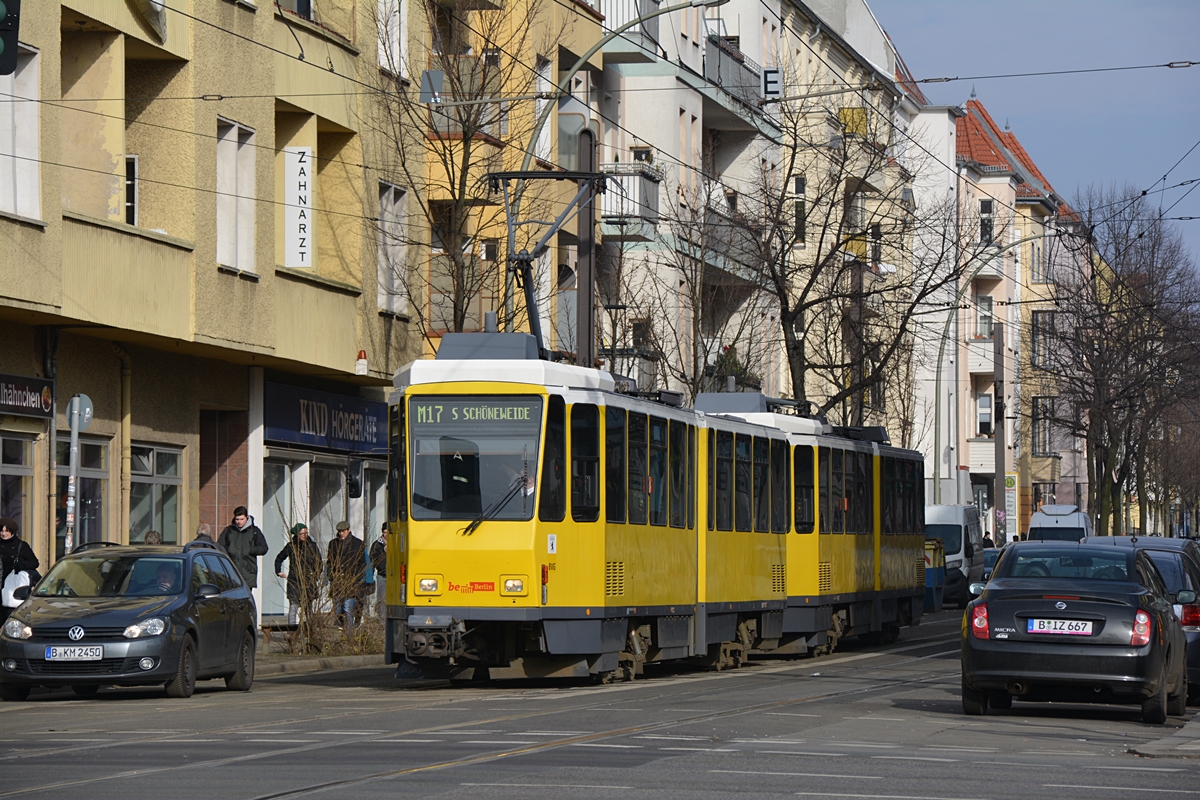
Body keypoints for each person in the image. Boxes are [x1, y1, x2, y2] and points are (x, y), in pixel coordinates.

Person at [274, 523, 322, 627]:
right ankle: (291, 631)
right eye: (301, 534)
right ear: (297, 534)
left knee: (308, 607)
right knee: (293, 607)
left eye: (306, 533)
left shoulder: (312, 546)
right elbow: (279, 558)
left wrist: (315, 575)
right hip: (294, 581)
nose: (304, 535)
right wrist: (278, 571)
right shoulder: (291, 546)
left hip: (309, 580)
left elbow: (319, 563)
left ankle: (309, 631)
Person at [325, 521, 365, 633]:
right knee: (337, 609)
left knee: (348, 608)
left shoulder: (358, 544)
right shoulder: (333, 544)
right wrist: (331, 575)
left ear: (348, 530)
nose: (341, 533)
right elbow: (330, 561)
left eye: (343, 531)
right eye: (339, 531)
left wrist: (355, 576)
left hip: (351, 581)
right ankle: (342, 626)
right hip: (337, 581)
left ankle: (349, 633)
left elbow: (362, 562)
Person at [0, 517, 40, 624]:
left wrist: (22, 565)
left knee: (9, 618)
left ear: (12, 531)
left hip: (12, 586)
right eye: (1, 531)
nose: (3, 534)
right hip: (1, 584)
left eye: (6, 531)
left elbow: (35, 562)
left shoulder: (21, 546)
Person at [218, 506, 269, 588]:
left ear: (247, 518)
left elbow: (264, 548)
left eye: (242, 519)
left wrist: (250, 550)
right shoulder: (229, 530)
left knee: (245, 595)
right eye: (237, 519)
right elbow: (219, 546)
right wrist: (228, 552)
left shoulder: (254, 531)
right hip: (231, 571)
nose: (239, 522)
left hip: (248, 572)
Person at [370, 523, 388, 617]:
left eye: (388, 532)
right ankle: (382, 618)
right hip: (382, 574)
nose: (386, 534)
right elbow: (372, 560)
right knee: (381, 598)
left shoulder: (397, 543)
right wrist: (370, 575)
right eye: (385, 532)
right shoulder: (377, 544)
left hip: (395, 575)